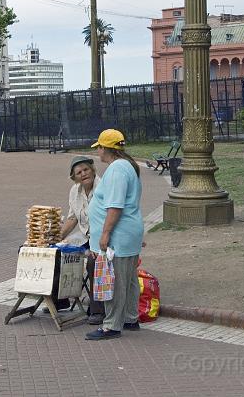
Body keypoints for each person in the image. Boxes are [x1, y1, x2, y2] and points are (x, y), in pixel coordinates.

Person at [85, 129, 143, 341]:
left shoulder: (117, 169)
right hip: (128, 233)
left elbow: (115, 206)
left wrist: (105, 233)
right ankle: (130, 317)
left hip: (118, 236)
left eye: (98, 147)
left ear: (105, 148)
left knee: (115, 279)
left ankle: (111, 325)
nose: (97, 152)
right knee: (128, 280)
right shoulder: (127, 166)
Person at [60, 155, 105, 325]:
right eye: (79, 172)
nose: (83, 174)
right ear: (74, 177)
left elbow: (109, 216)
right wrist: (58, 238)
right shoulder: (74, 191)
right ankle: (60, 300)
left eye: (86, 169)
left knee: (93, 262)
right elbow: (72, 219)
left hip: (102, 236)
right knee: (58, 251)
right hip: (86, 235)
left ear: (93, 170)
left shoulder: (102, 187)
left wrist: (102, 240)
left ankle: (97, 310)